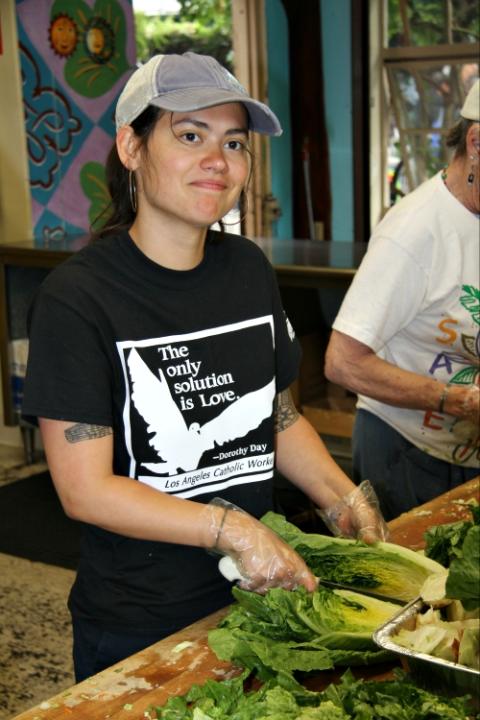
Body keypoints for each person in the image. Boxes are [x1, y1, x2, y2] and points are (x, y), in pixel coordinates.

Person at [22, 52, 387, 683]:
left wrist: (340, 496)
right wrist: (229, 528)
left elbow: (273, 411)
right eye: (190, 135)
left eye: (234, 143)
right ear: (132, 148)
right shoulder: (79, 298)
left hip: (259, 599)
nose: (218, 161)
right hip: (142, 619)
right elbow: (83, 489)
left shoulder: (247, 269)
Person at [325, 79, 480, 522]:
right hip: (408, 455)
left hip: (465, 456)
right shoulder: (415, 232)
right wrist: (460, 401)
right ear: (476, 142)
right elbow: (343, 363)